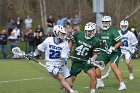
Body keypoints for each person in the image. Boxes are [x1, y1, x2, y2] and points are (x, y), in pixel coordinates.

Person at [30, 25, 78, 93]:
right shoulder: (48, 40)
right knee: (61, 78)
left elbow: (63, 59)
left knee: (70, 84)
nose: (63, 35)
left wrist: (58, 67)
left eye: (64, 34)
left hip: (61, 64)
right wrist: (34, 54)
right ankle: (72, 91)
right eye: (61, 33)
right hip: (50, 65)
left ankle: (67, 88)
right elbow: (39, 48)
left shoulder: (65, 43)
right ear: (56, 32)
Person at [95, 16, 127, 90]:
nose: (105, 23)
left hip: (114, 53)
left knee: (113, 66)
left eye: (106, 22)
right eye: (103, 22)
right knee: (96, 65)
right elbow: (100, 42)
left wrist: (113, 48)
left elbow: (120, 41)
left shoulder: (113, 30)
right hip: (105, 53)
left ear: (110, 22)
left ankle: (122, 84)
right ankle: (100, 83)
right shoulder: (101, 31)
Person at [68, 22, 100, 93]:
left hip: (86, 61)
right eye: (87, 31)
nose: (88, 33)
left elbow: (96, 54)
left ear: (94, 31)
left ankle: (93, 91)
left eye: (90, 31)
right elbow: (71, 42)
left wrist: (92, 59)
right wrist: (68, 51)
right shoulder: (78, 34)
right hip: (76, 61)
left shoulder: (96, 41)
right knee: (71, 79)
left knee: (93, 76)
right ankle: (67, 90)